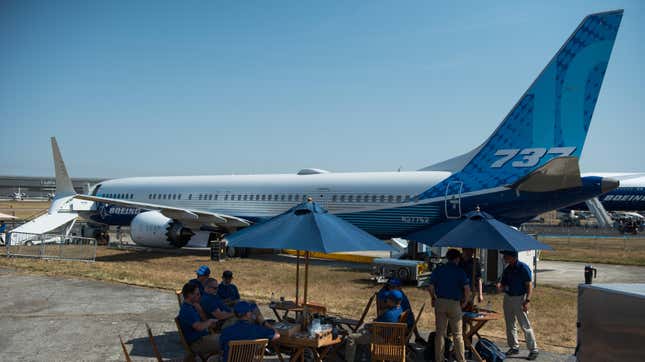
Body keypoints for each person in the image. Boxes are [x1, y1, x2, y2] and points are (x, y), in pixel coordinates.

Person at [427, 248, 470, 362]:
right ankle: (461, 359)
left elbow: (430, 287)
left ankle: (439, 359)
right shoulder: (460, 271)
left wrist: (433, 298)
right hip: (454, 303)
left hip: (440, 302)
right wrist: (465, 302)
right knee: (457, 334)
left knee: (440, 333)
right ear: (457, 258)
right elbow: (466, 289)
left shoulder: (439, 269)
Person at [497, 250, 539, 360]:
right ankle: (514, 347)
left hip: (519, 298)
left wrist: (527, 300)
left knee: (525, 325)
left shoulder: (523, 268)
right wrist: (500, 286)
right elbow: (504, 284)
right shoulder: (507, 269)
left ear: (513, 257)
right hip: (508, 298)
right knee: (510, 324)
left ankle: (533, 349)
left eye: (506, 256)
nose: (504, 257)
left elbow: (529, 285)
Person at [345, 290, 404, 362]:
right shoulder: (399, 308)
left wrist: (368, 327)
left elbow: (376, 329)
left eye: (388, 299)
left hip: (381, 337)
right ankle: (361, 352)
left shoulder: (389, 314)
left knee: (351, 338)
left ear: (392, 301)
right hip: (389, 335)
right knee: (364, 326)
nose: (386, 300)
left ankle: (349, 360)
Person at [177, 282, 220, 357]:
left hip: (203, 338)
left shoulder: (192, 307)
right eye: (197, 294)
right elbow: (199, 327)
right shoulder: (187, 310)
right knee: (227, 341)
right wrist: (210, 321)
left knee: (227, 337)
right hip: (197, 343)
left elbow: (203, 321)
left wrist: (200, 311)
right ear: (190, 295)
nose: (200, 296)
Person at [378, 278, 426, 344]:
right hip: (397, 321)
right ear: (390, 286)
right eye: (398, 287)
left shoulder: (397, 294)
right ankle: (409, 341)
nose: (400, 288)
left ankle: (415, 338)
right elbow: (382, 306)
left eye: (399, 286)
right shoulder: (388, 294)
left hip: (401, 320)